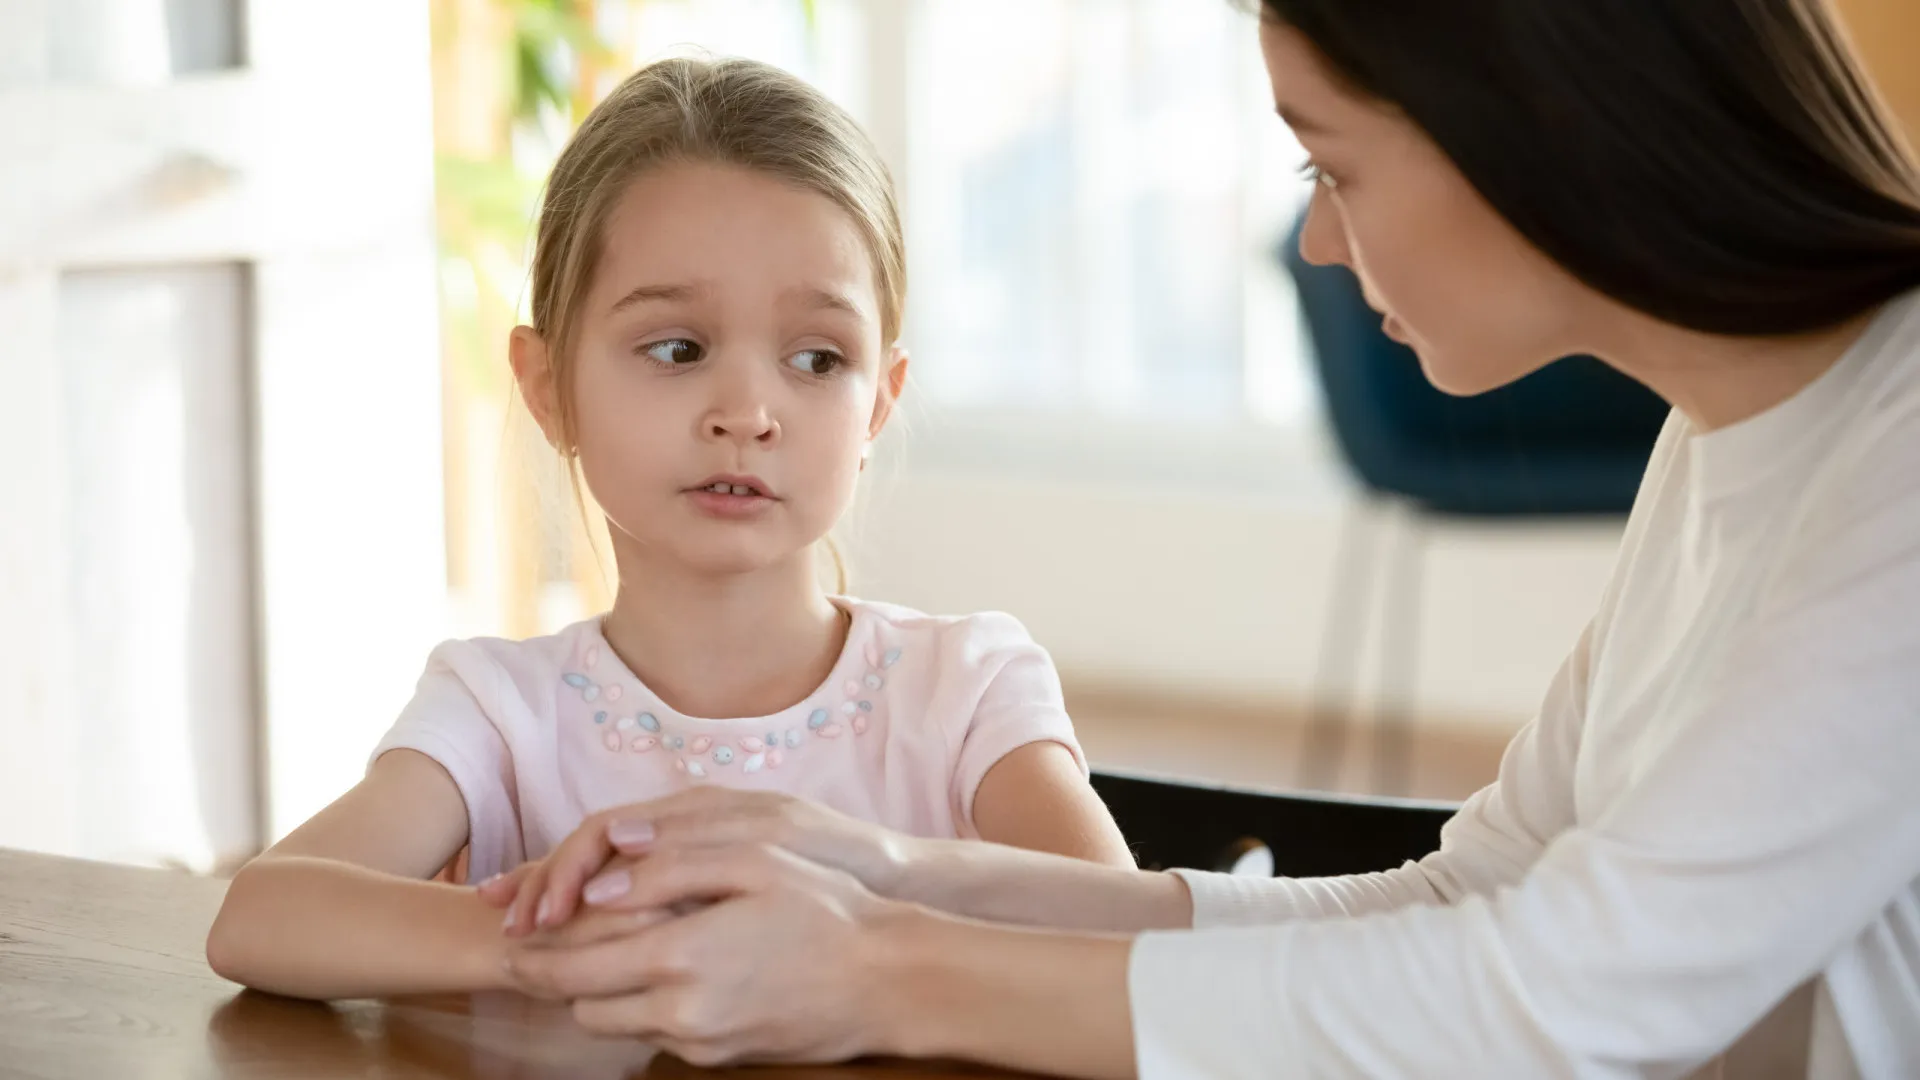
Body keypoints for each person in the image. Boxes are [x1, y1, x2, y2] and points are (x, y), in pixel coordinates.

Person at [485, 1, 1920, 1076]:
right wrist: (893, 871)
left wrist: (879, 970)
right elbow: (1477, 891)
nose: (1319, 244)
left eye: (1331, 168)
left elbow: (1555, 995)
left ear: (1527, 138)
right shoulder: (1732, 436)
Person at [203, 56, 1132, 1003]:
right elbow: (260, 918)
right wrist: (551, 945)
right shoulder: (499, 713)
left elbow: (1132, 942)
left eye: (817, 358)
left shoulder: (967, 691)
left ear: (878, 408)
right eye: (678, 349)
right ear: (547, 387)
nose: (747, 411)